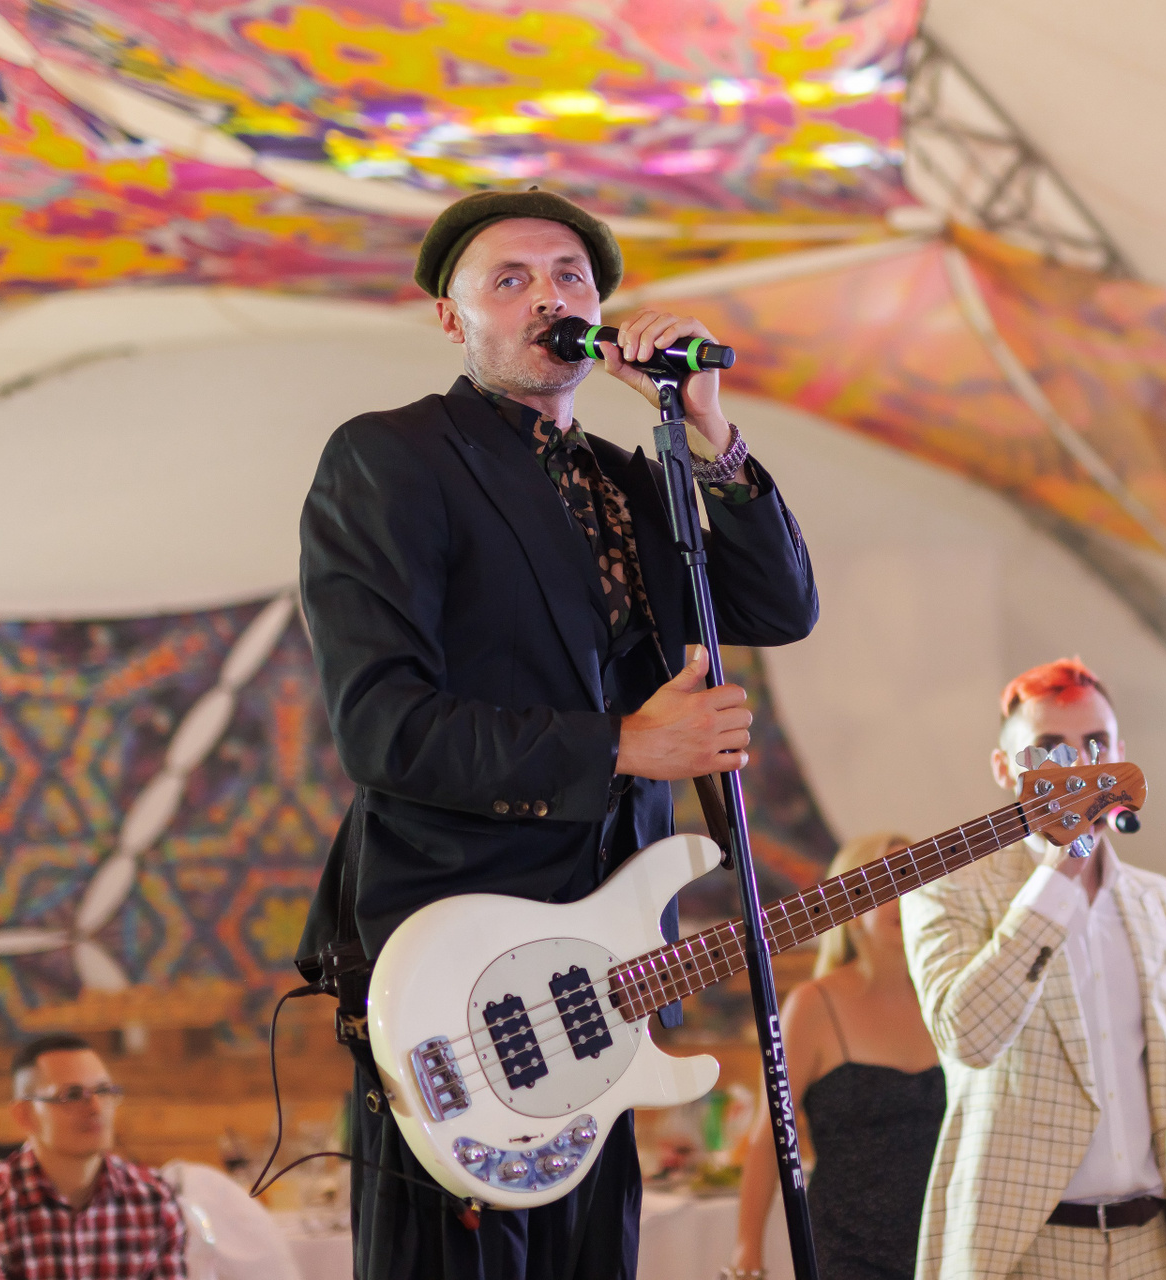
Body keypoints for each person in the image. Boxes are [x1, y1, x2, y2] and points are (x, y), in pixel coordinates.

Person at [294, 187, 819, 1280]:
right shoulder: (393, 457)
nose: (549, 297)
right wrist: (625, 745)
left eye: (570, 276)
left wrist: (709, 429)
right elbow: (384, 728)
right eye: (512, 279)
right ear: (454, 319)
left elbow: (780, 607)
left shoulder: (632, 480)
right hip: (456, 977)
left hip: (607, 978)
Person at [901, 657, 1166, 1280]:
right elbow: (968, 1038)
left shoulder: (1158, 899)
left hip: (1153, 1244)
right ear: (1005, 768)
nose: (1078, 766)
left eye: (1096, 743)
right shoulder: (947, 888)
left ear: (1120, 757)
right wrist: (1061, 873)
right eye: (1050, 747)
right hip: (1024, 1247)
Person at [728, 832, 944, 1280]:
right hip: (848, 1252)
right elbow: (770, 1136)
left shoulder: (947, 997)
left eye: (915, 880)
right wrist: (747, 1250)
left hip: (947, 1245)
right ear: (850, 903)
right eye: (888, 882)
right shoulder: (813, 1004)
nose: (904, 896)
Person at [0, 1033, 186, 1280]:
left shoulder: (153, 1199)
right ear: (24, 1115)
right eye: (72, 1095)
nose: (96, 1107)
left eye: (103, 1091)